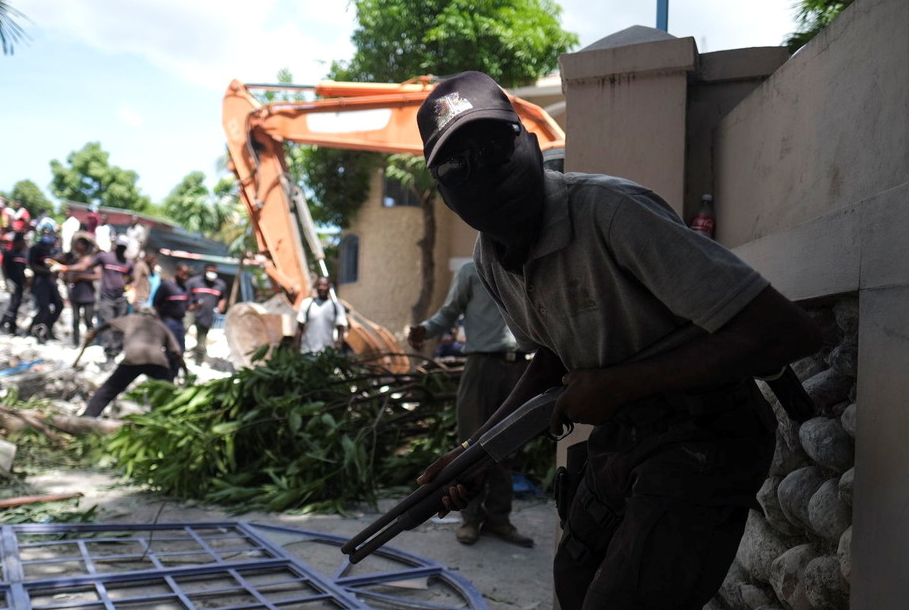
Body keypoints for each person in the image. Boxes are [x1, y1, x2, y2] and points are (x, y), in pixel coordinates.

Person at [412, 71, 822, 610]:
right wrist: (477, 453)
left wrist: (616, 385)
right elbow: (553, 356)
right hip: (626, 434)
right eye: (456, 163)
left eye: (493, 144)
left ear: (532, 145)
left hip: (709, 434)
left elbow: (784, 331)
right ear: (444, 193)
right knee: (574, 583)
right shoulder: (491, 258)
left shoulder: (611, 212)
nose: (482, 168)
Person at [408, 260, 532, 547]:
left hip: (520, 367)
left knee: (508, 447)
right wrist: (425, 330)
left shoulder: (526, 264)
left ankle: (499, 520)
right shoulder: (471, 270)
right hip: (481, 366)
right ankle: (470, 519)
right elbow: (449, 312)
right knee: (472, 449)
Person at [80, 308, 182, 417]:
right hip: (157, 361)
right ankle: (166, 418)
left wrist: (95, 332)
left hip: (133, 358)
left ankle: (88, 416)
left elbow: (109, 323)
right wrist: (185, 372)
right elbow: (177, 352)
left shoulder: (131, 319)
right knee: (165, 393)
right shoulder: (162, 325)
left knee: (108, 390)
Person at [27, 220, 64, 343]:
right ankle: (33, 330)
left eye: (50, 233)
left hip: (51, 282)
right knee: (44, 308)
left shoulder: (53, 248)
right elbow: (33, 265)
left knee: (59, 305)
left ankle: (48, 328)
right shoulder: (35, 248)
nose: (48, 235)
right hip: (40, 281)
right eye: (46, 233)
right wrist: (48, 271)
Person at [294, 276, 348, 354]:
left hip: (327, 354)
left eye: (324, 285)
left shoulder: (337, 306)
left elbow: (341, 328)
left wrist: (338, 345)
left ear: (329, 287)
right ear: (316, 287)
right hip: (307, 352)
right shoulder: (306, 304)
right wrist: (296, 347)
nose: (322, 288)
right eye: (319, 285)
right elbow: (300, 328)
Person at [186, 263, 228, 363]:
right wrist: (189, 305)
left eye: (214, 272)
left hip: (207, 315)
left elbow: (223, 298)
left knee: (202, 339)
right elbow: (185, 294)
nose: (212, 274)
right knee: (183, 330)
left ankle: (198, 360)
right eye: (210, 271)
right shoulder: (194, 282)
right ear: (204, 271)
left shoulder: (220, 285)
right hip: (191, 312)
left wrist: (220, 307)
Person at [63, 232, 99, 347]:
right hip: (76, 294)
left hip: (88, 294)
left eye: (79, 244)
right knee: (76, 320)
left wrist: (81, 277)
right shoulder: (75, 259)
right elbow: (68, 277)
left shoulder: (91, 260)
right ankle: (76, 342)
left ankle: (90, 342)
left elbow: (98, 275)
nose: (76, 246)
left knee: (88, 320)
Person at [153, 263, 192, 360]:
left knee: (180, 347)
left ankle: (174, 370)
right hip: (168, 321)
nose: (185, 276)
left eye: (187, 274)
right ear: (177, 272)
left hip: (180, 322)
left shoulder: (185, 287)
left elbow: (187, 305)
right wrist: (159, 320)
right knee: (170, 347)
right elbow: (156, 303)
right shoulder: (166, 285)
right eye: (183, 273)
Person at [0, 231, 28, 335]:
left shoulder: (22, 255)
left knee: (16, 304)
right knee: (14, 304)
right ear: (17, 242)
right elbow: (3, 268)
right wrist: (7, 281)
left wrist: (25, 283)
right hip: (13, 283)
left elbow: (22, 270)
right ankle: (7, 326)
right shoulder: (9, 254)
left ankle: (10, 326)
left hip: (20, 284)